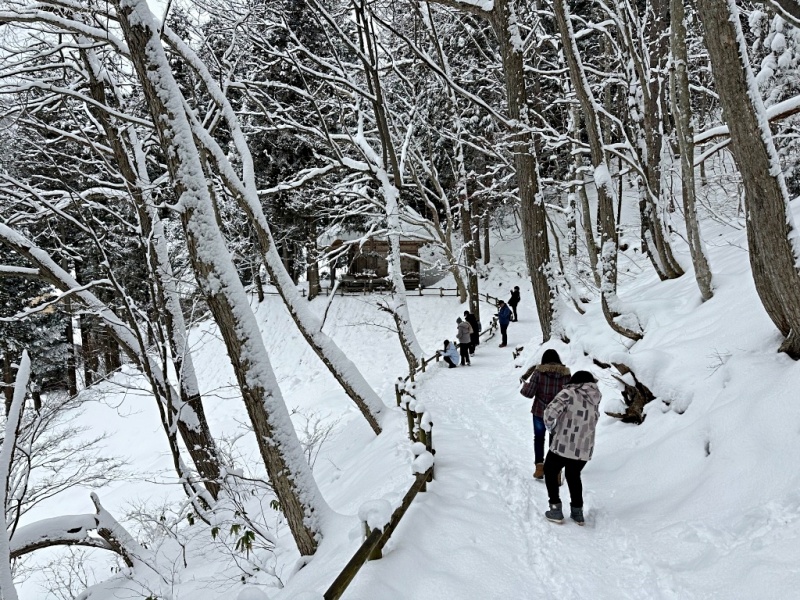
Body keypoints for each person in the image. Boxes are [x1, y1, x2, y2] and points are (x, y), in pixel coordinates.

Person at [542, 371, 601, 526]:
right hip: (584, 447)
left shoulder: (568, 393)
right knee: (573, 475)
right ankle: (577, 513)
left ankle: (555, 509)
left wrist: (551, 428)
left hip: (564, 444)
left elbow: (549, 412)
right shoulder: (595, 397)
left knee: (550, 470)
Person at [519, 349, 571, 480]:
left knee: (539, 438)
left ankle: (539, 468)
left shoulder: (538, 373)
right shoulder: (566, 375)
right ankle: (556, 472)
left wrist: (524, 386)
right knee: (555, 441)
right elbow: (570, 395)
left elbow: (529, 393)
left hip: (539, 411)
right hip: (558, 414)